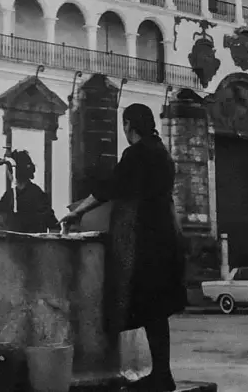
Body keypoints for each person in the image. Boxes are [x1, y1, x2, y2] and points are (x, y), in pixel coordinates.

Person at [60, 104, 186, 392]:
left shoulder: (137, 154)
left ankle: (160, 376)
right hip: (167, 233)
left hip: (145, 238)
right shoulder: (163, 153)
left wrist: (78, 211)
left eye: (124, 125)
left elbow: (110, 187)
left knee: (143, 304)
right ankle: (162, 373)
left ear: (129, 125)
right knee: (157, 311)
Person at [0, 149, 59, 234]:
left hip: (32, 245)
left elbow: (54, 226)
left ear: (12, 171)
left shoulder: (36, 194)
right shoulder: (10, 195)